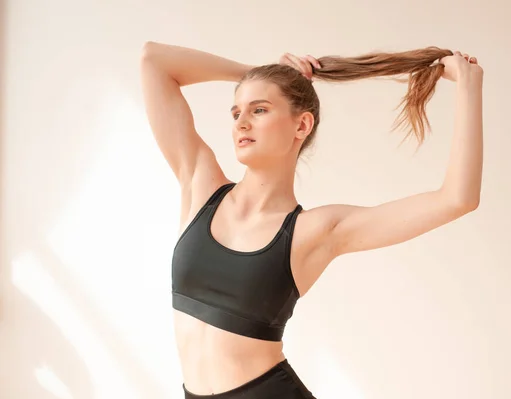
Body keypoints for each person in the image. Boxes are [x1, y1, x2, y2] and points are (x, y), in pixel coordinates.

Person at [140, 41, 484, 398]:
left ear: (302, 125)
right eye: (236, 112)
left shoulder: (316, 231)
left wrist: (469, 88)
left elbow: (457, 199)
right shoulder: (200, 187)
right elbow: (154, 60)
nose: (242, 122)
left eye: (259, 110)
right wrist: (259, 75)